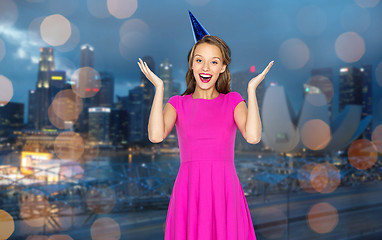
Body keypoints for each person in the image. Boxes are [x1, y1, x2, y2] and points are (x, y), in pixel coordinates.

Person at [138, 35, 273, 240]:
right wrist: (159, 88)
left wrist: (252, 90)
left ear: (223, 68)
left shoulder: (233, 101)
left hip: (225, 189)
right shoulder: (177, 103)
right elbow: (156, 136)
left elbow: (253, 137)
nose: (206, 68)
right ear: (191, 65)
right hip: (189, 189)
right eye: (199, 60)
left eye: (214, 62)